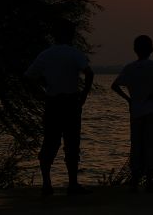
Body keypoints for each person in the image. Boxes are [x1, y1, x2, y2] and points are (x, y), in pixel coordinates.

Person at [24, 19, 94, 196]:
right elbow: (89, 73)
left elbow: (29, 76)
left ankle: (47, 184)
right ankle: (72, 184)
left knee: (50, 142)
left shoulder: (45, 54)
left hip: (53, 103)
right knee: (72, 143)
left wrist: (42, 90)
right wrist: (84, 94)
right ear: (70, 35)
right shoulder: (74, 53)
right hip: (70, 103)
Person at [111, 35, 153, 192]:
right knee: (151, 144)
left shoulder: (130, 68)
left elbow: (115, 86)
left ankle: (135, 182)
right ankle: (150, 182)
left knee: (136, 144)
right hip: (151, 110)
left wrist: (129, 100)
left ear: (135, 50)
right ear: (151, 49)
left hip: (136, 111)